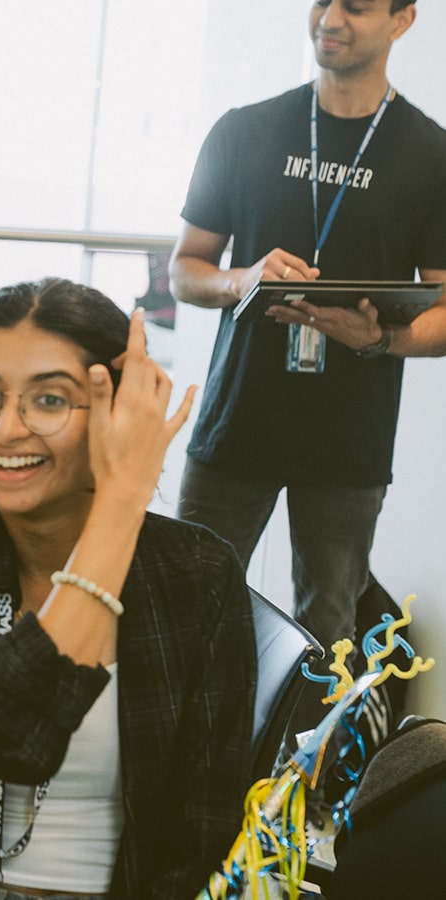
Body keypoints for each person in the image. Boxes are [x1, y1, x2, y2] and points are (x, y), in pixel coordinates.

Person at [0, 279, 257, 900]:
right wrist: (122, 502)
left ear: (118, 412)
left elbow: (205, 827)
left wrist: (122, 501)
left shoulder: (199, 573)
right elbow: (10, 736)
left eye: (49, 400)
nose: (6, 428)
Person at [168, 1, 446, 680]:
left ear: (402, 20)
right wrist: (243, 281)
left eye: (355, 5)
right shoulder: (244, 130)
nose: (330, 17)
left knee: (328, 636)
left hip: (348, 440)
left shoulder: (432, 155)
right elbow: (186, 270)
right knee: (182, 609)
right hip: (237, 424)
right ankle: (177, 779)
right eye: (321, 1)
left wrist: (379, 339)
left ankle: (305, 787)